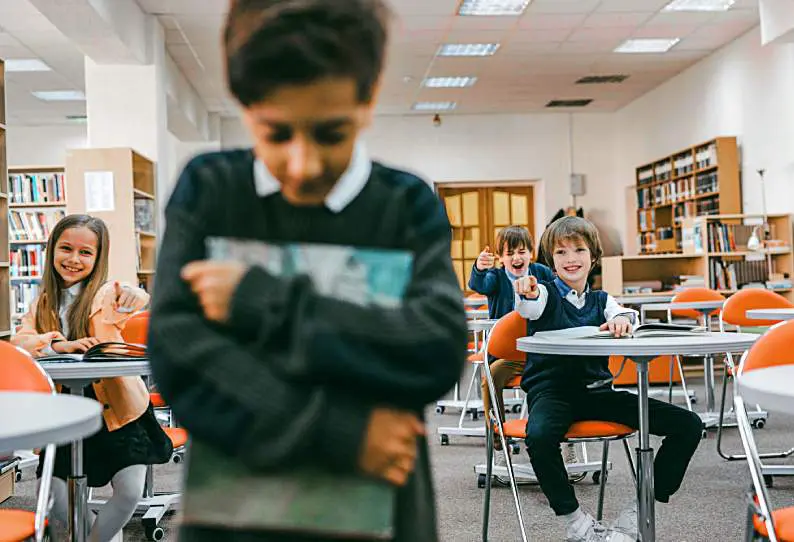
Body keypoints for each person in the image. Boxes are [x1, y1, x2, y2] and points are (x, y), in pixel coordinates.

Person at [146, 1, 467, 541]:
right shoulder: (210, 190)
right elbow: (180, 357)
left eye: (331, 133)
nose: (303, 165)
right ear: (244, 105)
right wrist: (343, 431)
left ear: (369, 98)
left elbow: (434, 351)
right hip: (233, 522)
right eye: (276, 134)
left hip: (381, 519)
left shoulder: (406, 205)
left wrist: (261, 301)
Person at [514, 216, 703, 542]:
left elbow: (625, 314)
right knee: (539, 436)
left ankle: (641, 509)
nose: (570, 259)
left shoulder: (602, 300)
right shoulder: (544, 293)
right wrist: (527, 292)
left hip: (598, 393)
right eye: (561, 252)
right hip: (551, 391)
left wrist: (622, 320)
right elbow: (529, 306)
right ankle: (576, 523)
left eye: (579, 250)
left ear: (593, 257)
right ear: (550, 261)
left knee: (688, 425)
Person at [13, 214, 172, 542]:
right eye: (66, 248)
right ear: (52, 250)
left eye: (86, 252)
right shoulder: (42, 303)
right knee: (54, 497)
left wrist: (134, 294)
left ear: (98, 258)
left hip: (119, 409)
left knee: (129, 491)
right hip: (66, 411)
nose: (74, 259)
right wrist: (57, 343)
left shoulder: (106, 294)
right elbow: (20, 342)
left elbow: (134, 299)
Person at [468, 226, 556, 463]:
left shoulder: (541, 272)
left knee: (559, 378)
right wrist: (479, 268)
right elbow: (478, 284)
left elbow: (559, 293)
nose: (516, 258)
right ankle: (497, 435)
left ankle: (561, 439)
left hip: (540, 354)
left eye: (522, 251)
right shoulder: (495, 278)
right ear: (500, 257)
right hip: (508, 356)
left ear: (531, 253)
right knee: (491, 377)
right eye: (509, 253)